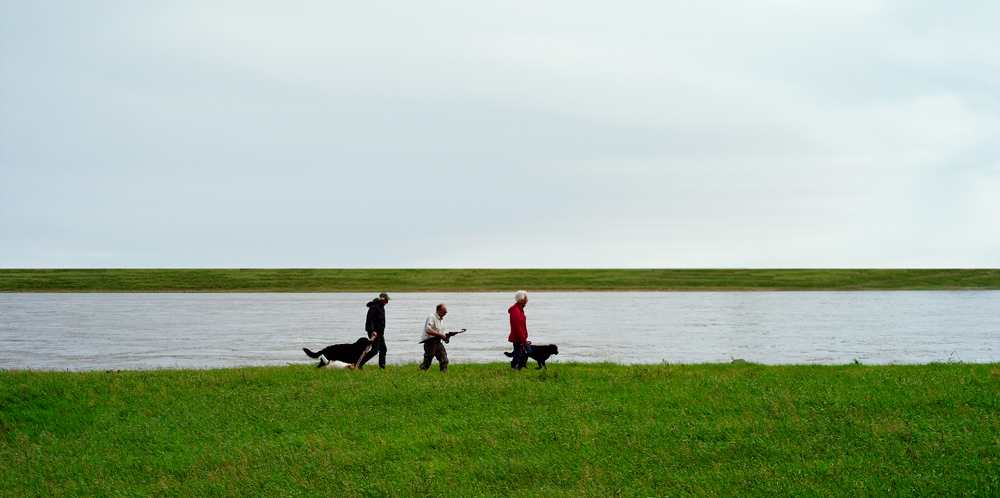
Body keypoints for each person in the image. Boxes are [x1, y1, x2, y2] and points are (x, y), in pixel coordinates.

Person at [418, 303, 464, 372]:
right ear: (439, 310)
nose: (446, 313)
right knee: (427, 363)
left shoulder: (441, 319)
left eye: (446, 312)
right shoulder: (431, 317)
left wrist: (445, 337)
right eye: (444, 312)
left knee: (444, 360)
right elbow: (428, 330)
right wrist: (441, 335)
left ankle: (444, 374)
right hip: (430, 343)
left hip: (438, 342)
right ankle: (420, 372)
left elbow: (439, 332)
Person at [359, 292, 389, 369]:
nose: (387, 302)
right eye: (386, 300)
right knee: (375, 350)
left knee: (383, 349)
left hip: (380, 332)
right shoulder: (374, 307)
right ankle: (359, 363)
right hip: (374, 332)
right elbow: (371, 320)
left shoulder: (381, 306)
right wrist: (372, 330)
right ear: (382, 299)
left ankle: (382, 367)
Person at [508, 290, 531, 370]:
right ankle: (514, 368)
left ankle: (520, 367)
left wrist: (525, 335)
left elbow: (522, 325)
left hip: (521, 336)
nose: (527, 300)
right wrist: (523, 339)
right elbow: (517, 326)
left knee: (524, 352)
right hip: (517, 337)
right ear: (521, 300)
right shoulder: (516, 311)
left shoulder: (520, 309)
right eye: (526, 298)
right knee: (518, 353)